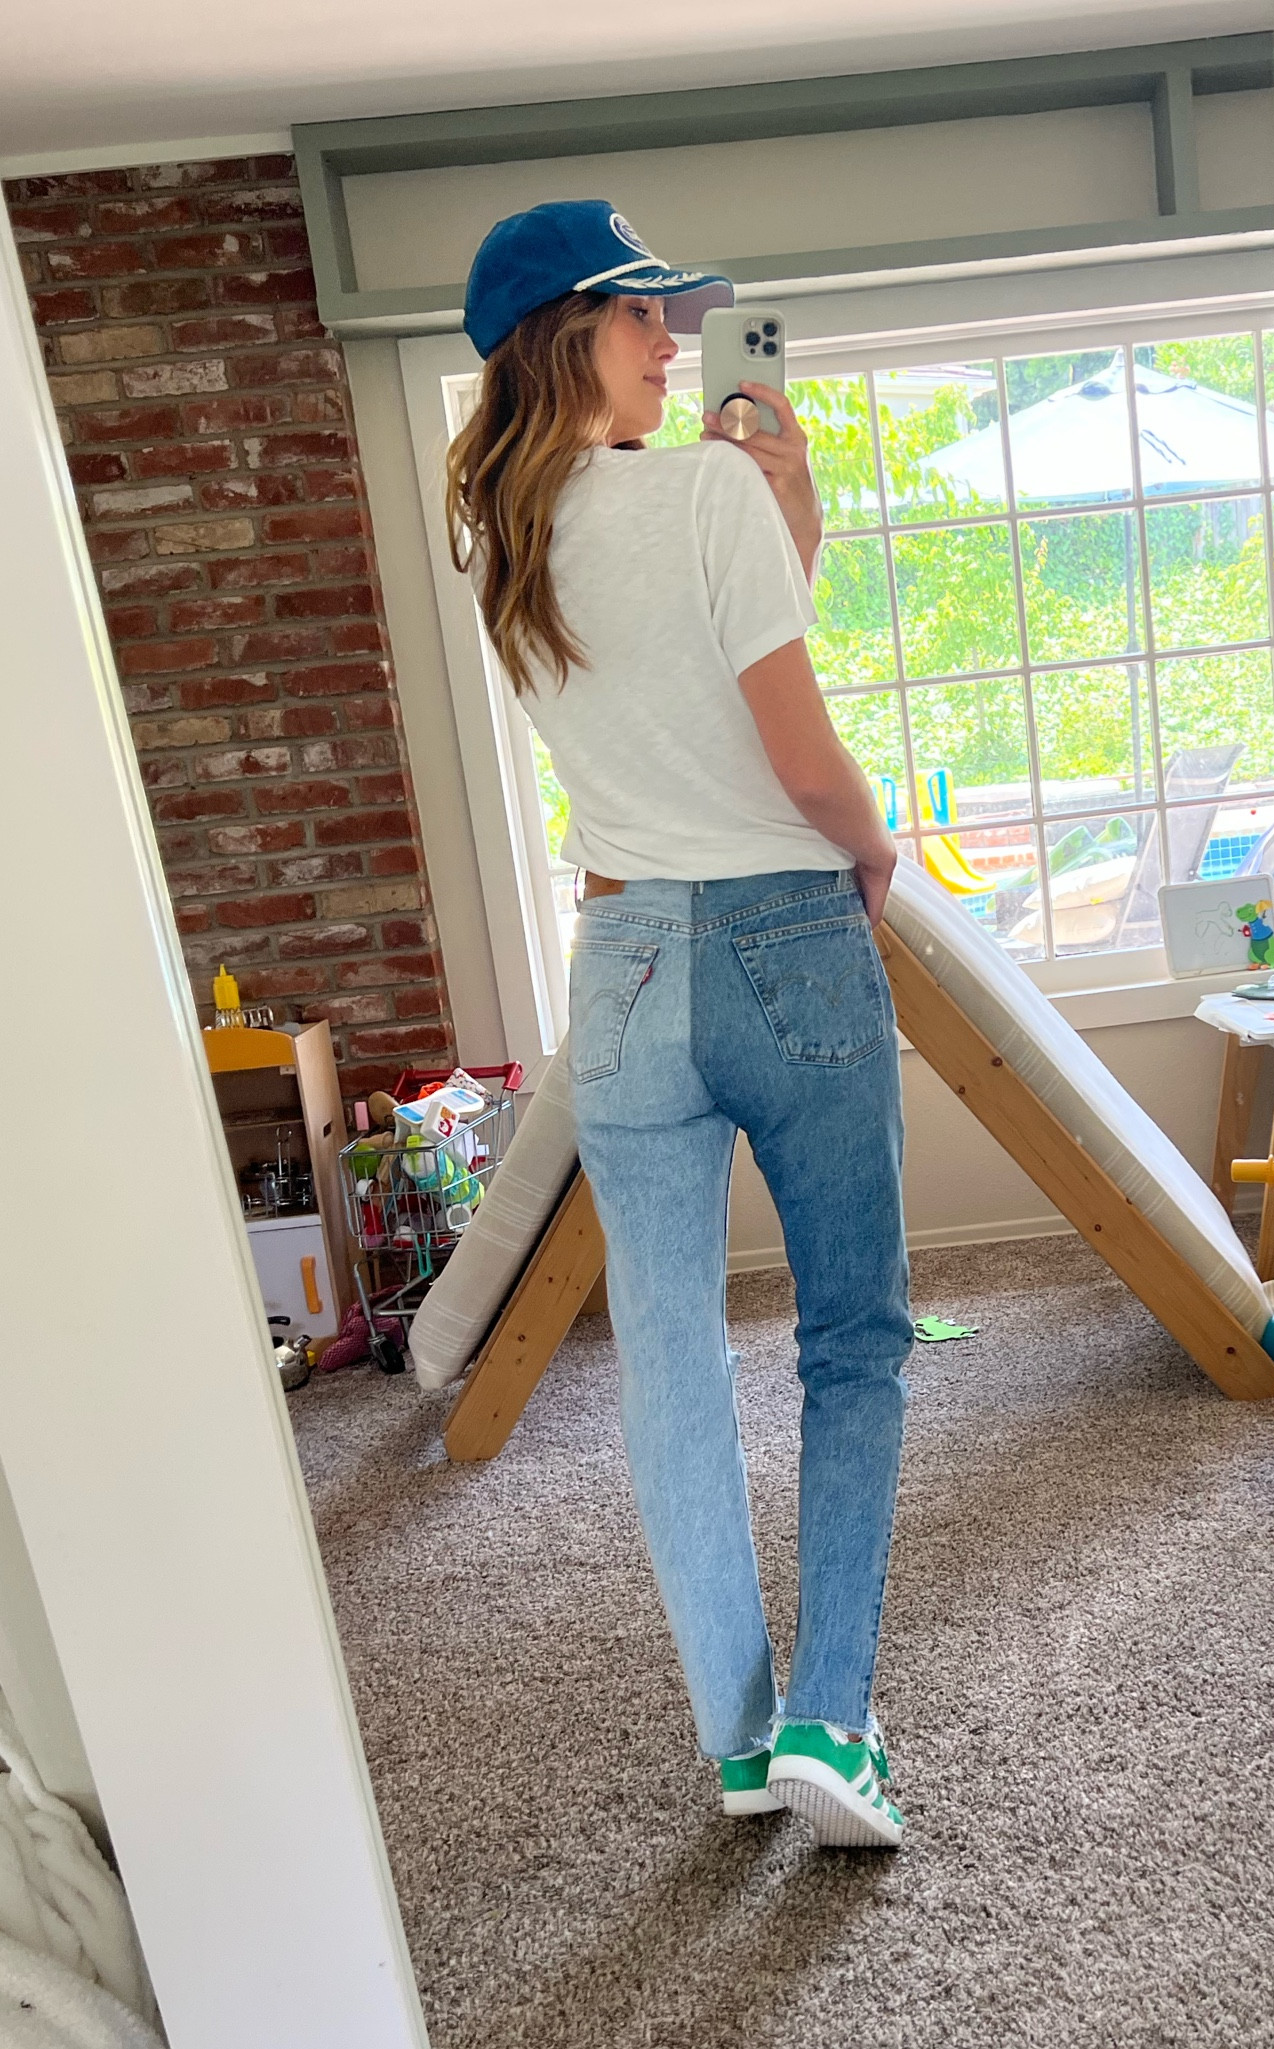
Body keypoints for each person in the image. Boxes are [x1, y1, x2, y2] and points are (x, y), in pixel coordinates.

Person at [447, 201, 912, 1849]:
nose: (672, 340)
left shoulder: (501, 539)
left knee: (670, 1362)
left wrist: (792, 528)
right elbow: (790, 752)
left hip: (627, 958)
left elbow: (681, 701)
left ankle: (736, 1736)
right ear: (557, 332)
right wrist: (873, 847)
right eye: (638, 314)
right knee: (851, 1335)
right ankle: (830, 1721)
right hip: (787, 934)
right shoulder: (702, 488)